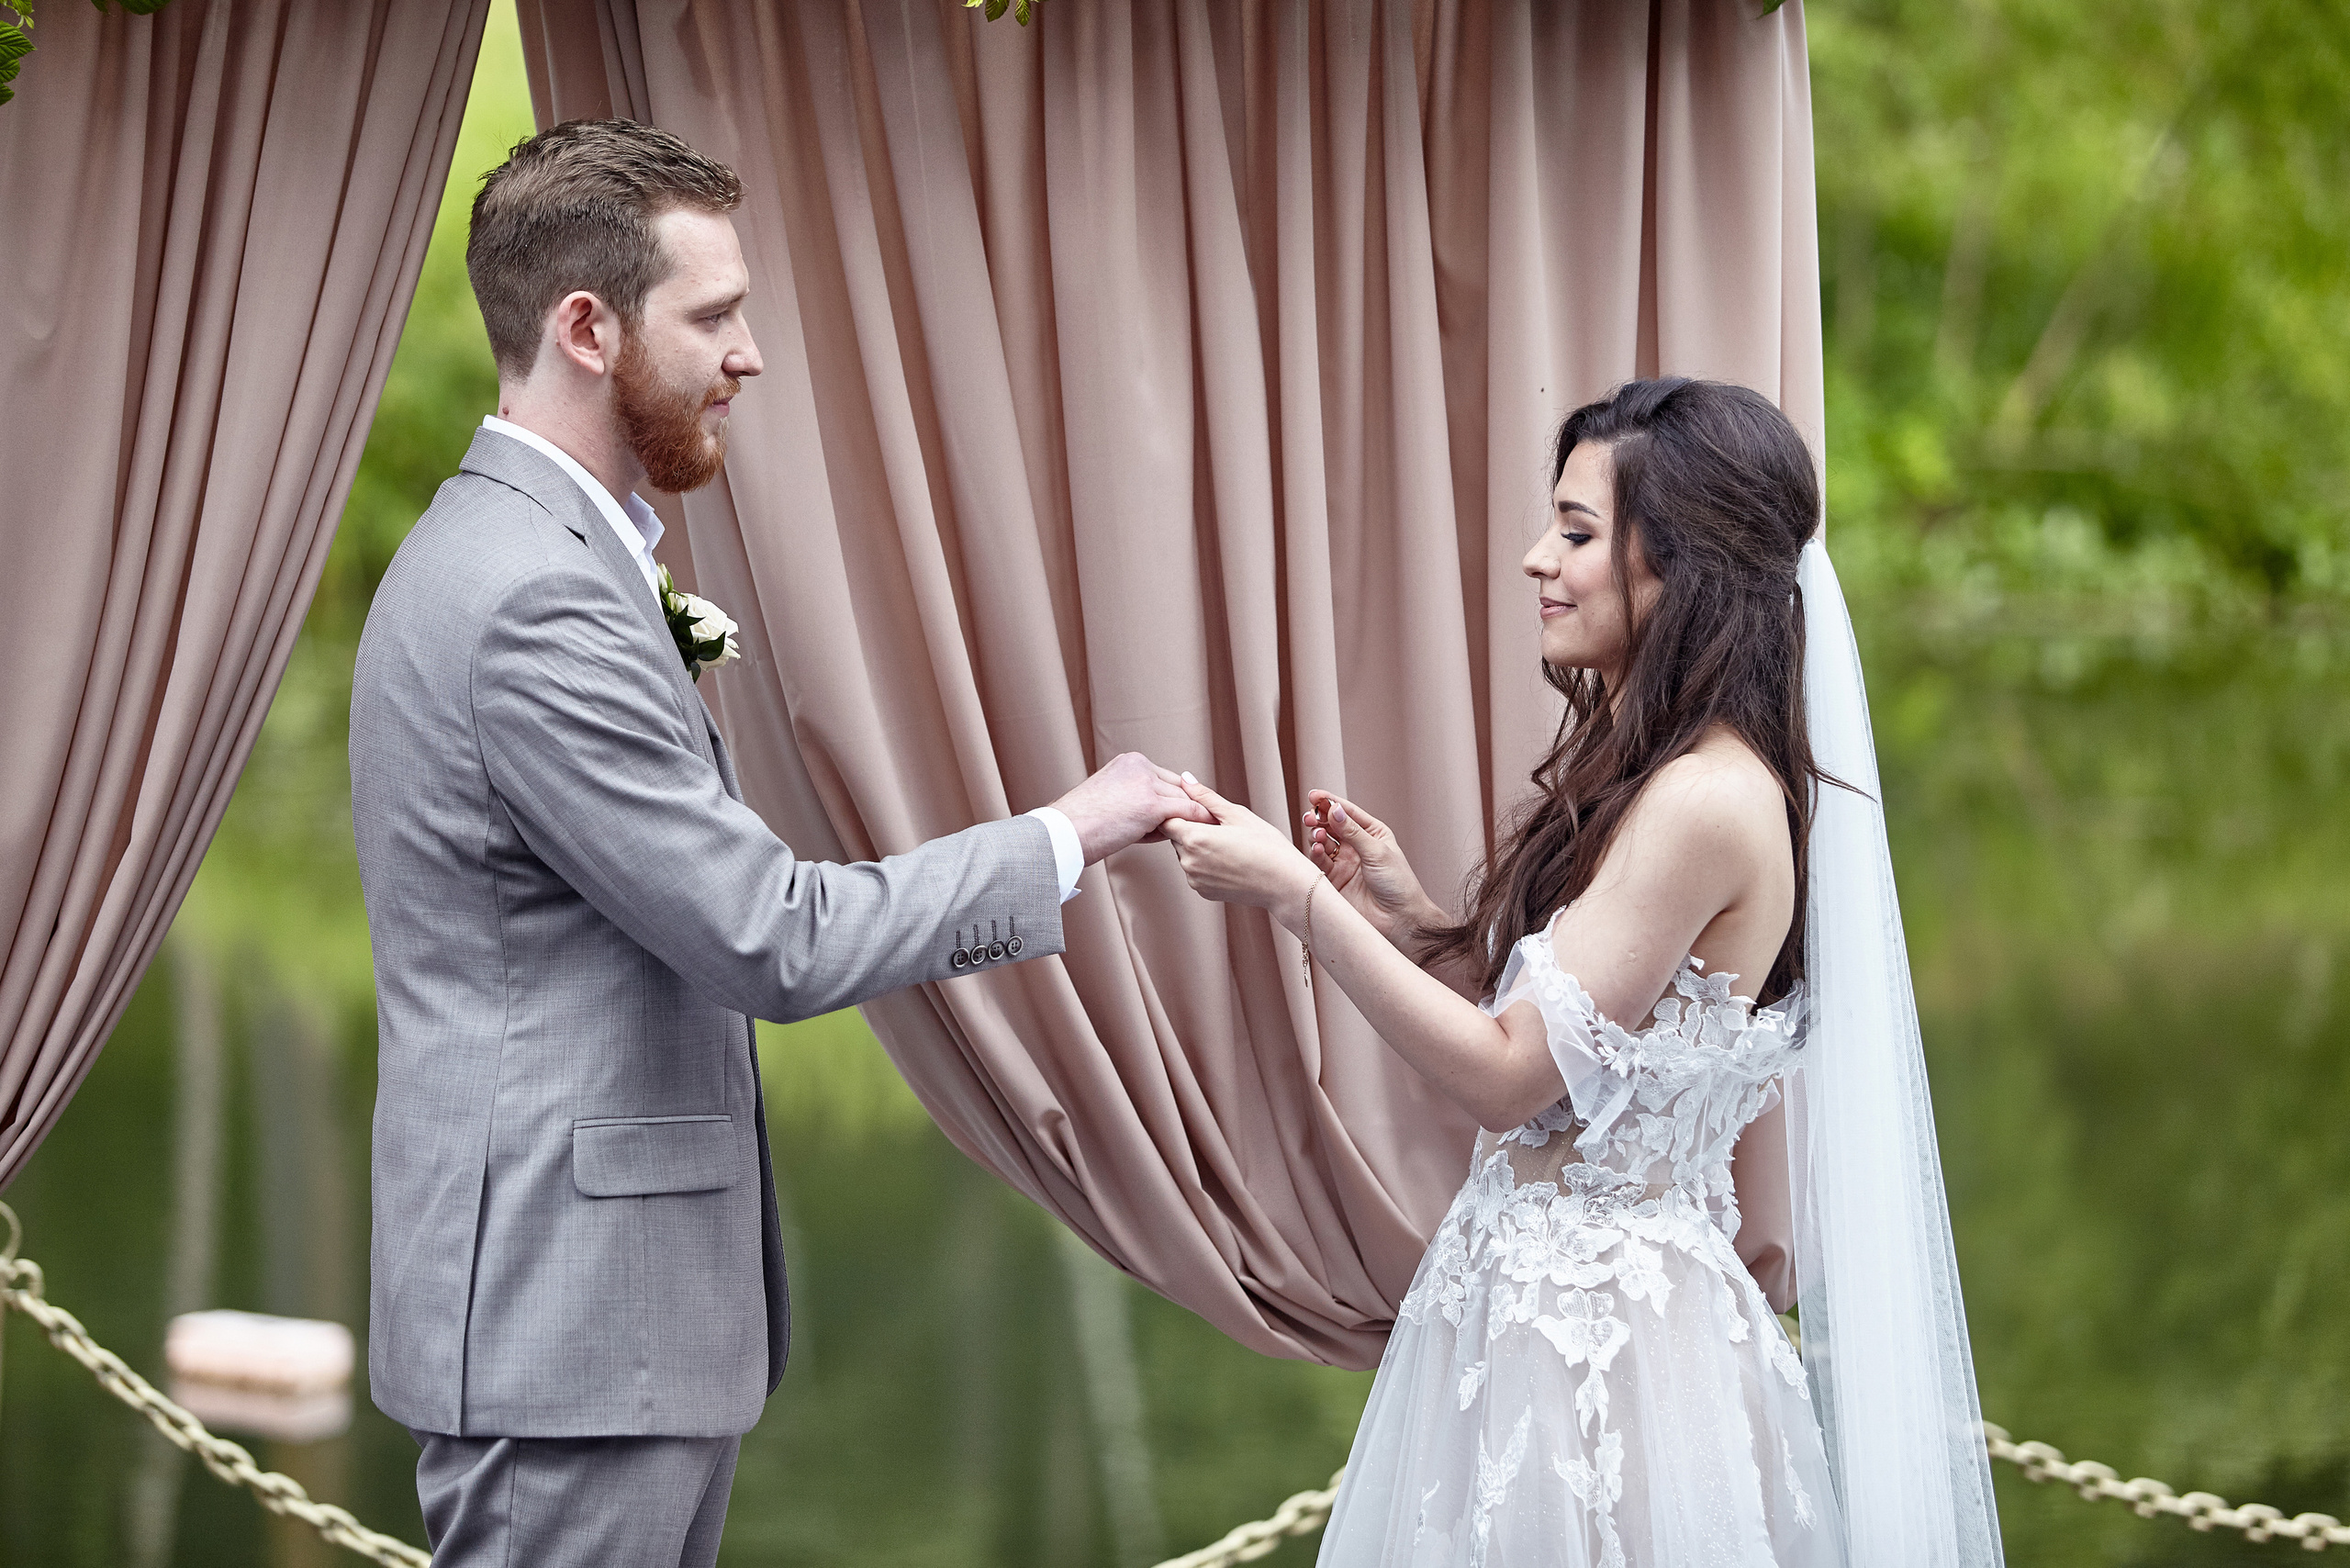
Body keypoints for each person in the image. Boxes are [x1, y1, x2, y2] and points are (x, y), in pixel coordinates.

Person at [349, 118, 1206, 1568]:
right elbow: (771, 935)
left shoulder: (532, 554)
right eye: (716, 315)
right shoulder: (531, 599)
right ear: (586, 328)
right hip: (572, 1335)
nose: (749, 353)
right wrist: (1069, 833)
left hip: (598, 1329)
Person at [1162, 379, 2001, 1565]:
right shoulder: (1667, 773)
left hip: (1612, 1356)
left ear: (1683, 564)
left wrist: (1295, 899)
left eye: (1574, 532)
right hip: (1537, 1321)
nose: (1533, 561)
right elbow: (1600, 1034)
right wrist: (1418, 920)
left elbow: (1511, 1080)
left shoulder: (1706, 798)